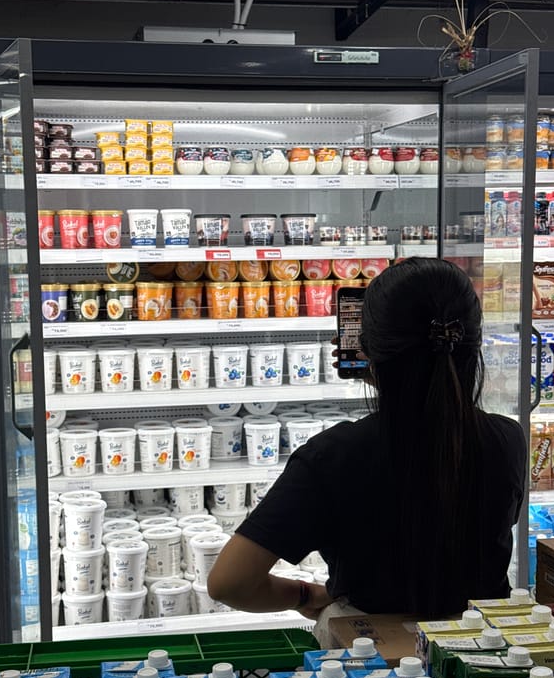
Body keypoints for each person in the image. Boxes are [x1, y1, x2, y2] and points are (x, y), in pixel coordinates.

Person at [207, 258, 527, 645]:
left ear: (367, 348)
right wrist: (386, 366)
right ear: (473, 344)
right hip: (485, 650)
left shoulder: (333, 457)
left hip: (368, 659)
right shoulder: (507, 440)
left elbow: (229, 583)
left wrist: (304, 596)